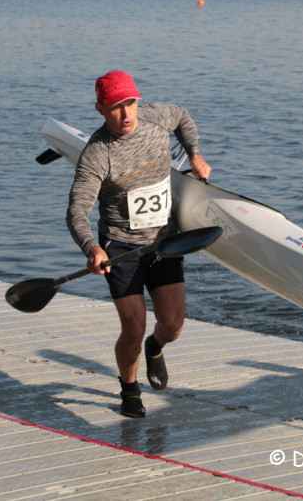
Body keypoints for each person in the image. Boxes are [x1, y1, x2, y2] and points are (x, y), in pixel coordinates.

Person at [66, 71, 211, 418]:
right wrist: (92, 249)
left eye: (130, 103)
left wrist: (194, 153)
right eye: (115, 107)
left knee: (173, 326)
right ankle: (129, 390)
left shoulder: (153, 116)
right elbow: (76, 211)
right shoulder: (97, 154)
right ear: (100, 109)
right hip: (120, 248)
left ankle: (156, 348)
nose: (126, 113)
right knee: (133, 326)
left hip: (164, 241)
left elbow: (183, 115)